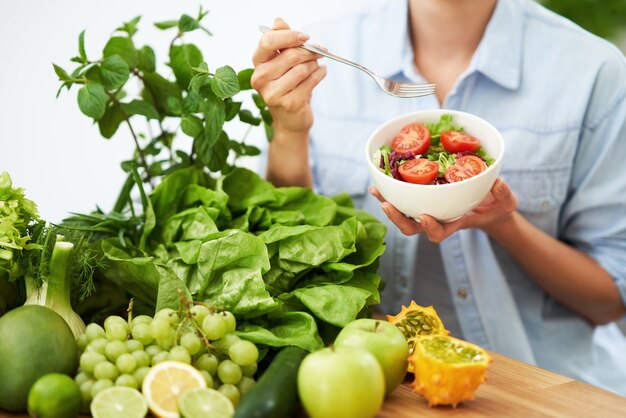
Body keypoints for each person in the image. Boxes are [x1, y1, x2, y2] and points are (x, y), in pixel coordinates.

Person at [251, 0, 626, 395]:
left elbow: (610, 299)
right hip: (372, 381)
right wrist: (290, 131)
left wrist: (504, 224)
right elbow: (286, 249)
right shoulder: (324, 53)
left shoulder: (593, 71)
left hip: (539, 387)